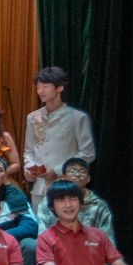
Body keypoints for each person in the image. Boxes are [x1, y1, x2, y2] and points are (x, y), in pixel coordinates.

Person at [22, 67, 98, 204]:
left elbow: (88, 153)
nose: (40, 91)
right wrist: (29, 168)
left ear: (59, 88)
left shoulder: (77, 117)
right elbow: (29, 150)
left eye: (45, 86)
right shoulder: (33, 117)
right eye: (38, 87)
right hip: (39, 189)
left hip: (67, 186)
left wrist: (58, 170)